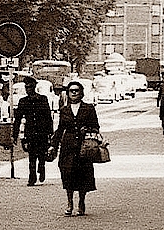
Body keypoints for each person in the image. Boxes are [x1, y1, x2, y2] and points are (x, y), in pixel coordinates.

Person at [46, 80, 100, 216]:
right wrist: (53, 145)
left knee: (82, 174)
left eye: (76, 90)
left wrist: (87, 129)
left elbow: (96, 127)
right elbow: (60, 129)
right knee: (67, 173)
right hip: (68, 146)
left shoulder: (89, 108)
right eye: (71, 91)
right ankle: (69, 203)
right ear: (68, 94)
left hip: (83, 146)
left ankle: (81, 201)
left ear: (81, 93)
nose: (74, 93)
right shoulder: (64, 110)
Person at [12, 76, 55, 186]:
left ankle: (41, 169)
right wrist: (15, 135)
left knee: (41, 155)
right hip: (30, 133)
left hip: (42, 132)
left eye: (30, 87)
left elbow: (48, 117)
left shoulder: (43, 99)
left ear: (35, 87)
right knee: (31, 156)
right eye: (26, 87)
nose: (28, 89)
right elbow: (18, 119)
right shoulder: (23, 101)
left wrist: (51, 133)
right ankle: (32, 177)